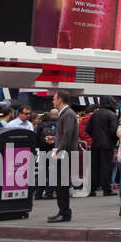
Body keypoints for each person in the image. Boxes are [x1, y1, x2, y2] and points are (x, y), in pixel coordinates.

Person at [45, 90, 79, 224]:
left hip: (65, 154)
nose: (53, 101)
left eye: (54, 99)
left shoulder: (68, 114)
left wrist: (59, 151)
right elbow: (64, 134)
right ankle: (63, 211)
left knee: (62, 184)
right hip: (64, 152)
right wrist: (54, 138)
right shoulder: (65, 114)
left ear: (60, 100)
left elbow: (68, 134)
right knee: (60, 184)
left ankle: (64, 213)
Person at [86, 97, 118, 198]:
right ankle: (106, 189)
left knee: (94, 167)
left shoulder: (95, 114)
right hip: (107, 145)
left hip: (95, 144)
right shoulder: (112, 115)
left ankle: (92, 189)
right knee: (106, 167)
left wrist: (95, 136)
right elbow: (114, 131)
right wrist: (113, 140)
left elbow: (88, 129)